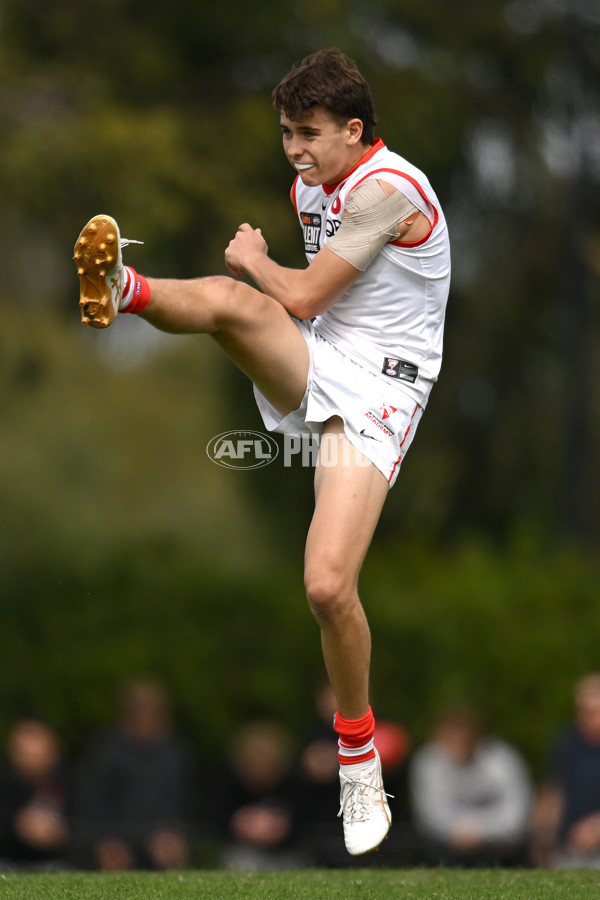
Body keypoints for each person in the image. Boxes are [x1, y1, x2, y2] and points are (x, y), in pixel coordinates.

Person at [73, 48, 451, 855]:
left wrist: (256, 258)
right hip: (325, 351)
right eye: (285, 133)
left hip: (385, 387)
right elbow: (307, 304)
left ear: (355, 129)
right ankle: (118, 291)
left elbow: (308, 290)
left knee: (325, 587)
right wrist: (255, 277)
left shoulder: (388, 189)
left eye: (308, 133)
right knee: (228, 303)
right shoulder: (312, 183)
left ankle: (358, 758)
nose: (294, 150)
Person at [75, 679, 194, 870]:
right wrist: (104, 841)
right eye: (139, 711)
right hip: (116, 844)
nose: (146, 718)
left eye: (151, 711)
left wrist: (176, 834)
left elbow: (187, 803)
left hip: (162, 846)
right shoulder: (106, 751)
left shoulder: (175, 752)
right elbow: (92, 802)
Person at [409, 705, 533, 867]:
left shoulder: (503, 760)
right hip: (444, 850)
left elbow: (517, 814)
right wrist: (460, 831)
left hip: (500, 850)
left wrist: (479, 832)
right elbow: (430, 815)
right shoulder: (429, 762)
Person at [532, 673, 600, 868]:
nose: (589, 719)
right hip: (569, 848)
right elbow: (553, 791)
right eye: (584, 712)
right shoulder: (568, 743)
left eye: (595, 712)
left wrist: (596, 827)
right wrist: (542, 833)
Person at [0, 718, 72, 870]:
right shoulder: (5, 786)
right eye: (26, 755)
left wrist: (61, 831)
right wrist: (17, 825)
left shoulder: (71, 784)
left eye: (39, 756)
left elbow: (91, 827)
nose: (33, 763)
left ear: (54, 753)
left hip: (58, 864)